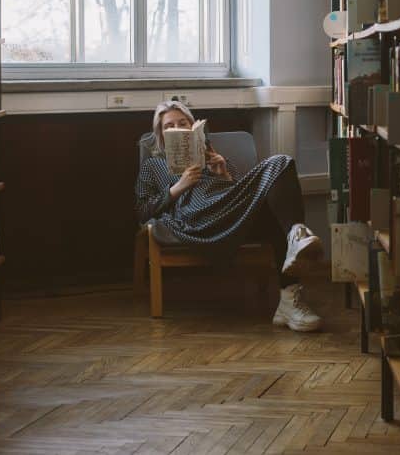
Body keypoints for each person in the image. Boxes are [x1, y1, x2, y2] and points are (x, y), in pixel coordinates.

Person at [135, 100, 325, 332]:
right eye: (169, 126)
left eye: (183, 123)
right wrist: (178, 187)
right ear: (161, 135)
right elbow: (143, 211)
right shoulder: (153, 165)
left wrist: (224, 173)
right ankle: (296, 236)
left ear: (193, 127)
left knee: (281, 165)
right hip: (197, 218)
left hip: (230, 212)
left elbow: (241, 192)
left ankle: (289, 300)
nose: (177, 128)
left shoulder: (213, 157)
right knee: (277, 176)